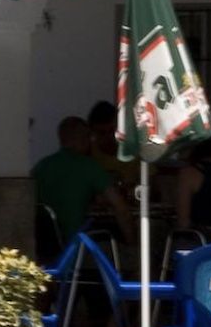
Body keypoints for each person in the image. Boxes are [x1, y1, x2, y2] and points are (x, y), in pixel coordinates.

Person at [33, 116, 133, 244]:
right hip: (76, 246)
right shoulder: (89, 167)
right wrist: (133, 245)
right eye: (88, 137)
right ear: (80, 138)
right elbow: (121, 208)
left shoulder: (41, 166)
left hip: (43, 245)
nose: (91, 142)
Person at [87, 99, 138, 192]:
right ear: (92, 133)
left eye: (112, 131)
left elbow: (153, 184)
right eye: (102, 133)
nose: (108, 137)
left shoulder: (134, 151)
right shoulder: (87, 155)